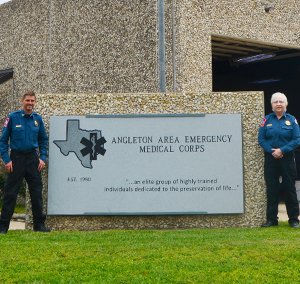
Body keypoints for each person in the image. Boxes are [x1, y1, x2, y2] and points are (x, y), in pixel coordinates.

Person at [0, 91, 50, 234]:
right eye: (27, 100)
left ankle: (39, 226)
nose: (30, 103)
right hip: (16, 159)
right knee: (10, 193)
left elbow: (43, 140)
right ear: (22, 101)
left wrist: (43, 157)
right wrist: (6, 160)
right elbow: (3, 140)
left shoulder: (37, 119)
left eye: (32, 101)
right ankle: (3, 227)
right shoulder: (13, 118)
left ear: (35, 103)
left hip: (32, 159)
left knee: (36, 193)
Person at [258, 92, 300, 228]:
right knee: (272, 189)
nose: (278, 104)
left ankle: (294, 219)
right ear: (272, 105)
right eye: (275, 102)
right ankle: (272, 219)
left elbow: (297, 139)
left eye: (281, 101)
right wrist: (273, 151)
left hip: (287, 157)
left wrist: (282, 150)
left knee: (289, 188)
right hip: (271, 158)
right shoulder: (267, 120)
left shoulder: (292, 120)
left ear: (286, 104)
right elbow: (261, 139)